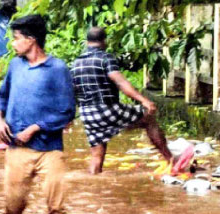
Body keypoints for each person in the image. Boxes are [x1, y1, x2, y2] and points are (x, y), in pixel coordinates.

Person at [0, 14, 76, 214]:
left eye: (16, 38)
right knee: (13, 207)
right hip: (17, 149)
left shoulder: (57, 69)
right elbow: (2, 97)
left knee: (56, 209)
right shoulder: (15, 66)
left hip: (50, 150)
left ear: (31, 40)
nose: (13, 42)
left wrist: (35, 128)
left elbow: (67, 111)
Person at [71, 26, 181, 174]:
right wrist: (144, 101)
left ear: (86, 42)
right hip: (106, 109)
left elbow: (71, 90)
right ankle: (171, 160)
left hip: (87, 114)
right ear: (105, 41)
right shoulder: (105, 58)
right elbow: (121, 83)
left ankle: (93, 180)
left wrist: (68, 115)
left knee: (97, 154)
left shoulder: (76, 63)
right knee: (148, 119)